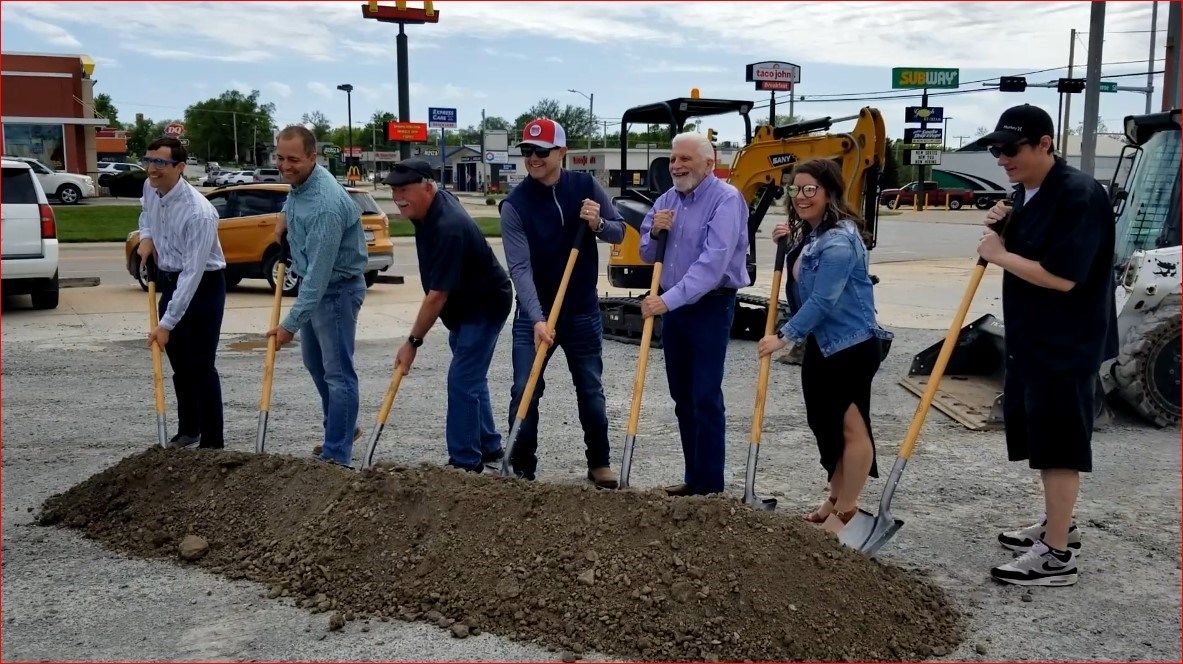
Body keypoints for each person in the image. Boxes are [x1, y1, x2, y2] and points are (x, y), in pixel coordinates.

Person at [974, 104, 1114, 587]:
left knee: (1059, 446)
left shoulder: (1078, 195)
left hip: (1065, 341)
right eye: (996, 150)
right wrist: (1004, 224)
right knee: (1041, 435)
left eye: (1011, 149)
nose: (1002, 159)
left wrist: (999, 254)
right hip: (1034, 339)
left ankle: (1057, 557)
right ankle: (1060, 526)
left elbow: (1063, 278)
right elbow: (1029, 244)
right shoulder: (1027, 193)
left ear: (1045, 143)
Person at [757, 158, 893, 535]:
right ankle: (834, 497)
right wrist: (790, 242)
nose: (800, 197)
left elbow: (823, 300)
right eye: (795, 190)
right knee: (825, 425)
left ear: (829, 192)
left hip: (850, 346)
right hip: (824, 344)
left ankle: (847, 511)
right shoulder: (816, 234)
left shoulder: (840, 240)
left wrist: (783, 337)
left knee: (851, 427)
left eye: (809, 190)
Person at [499, 118, 627, 488]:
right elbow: (519, 268)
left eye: (542, 151)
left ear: (561, 152)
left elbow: (619, 230)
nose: (534, 158)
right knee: (524, 388)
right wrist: (538, 319)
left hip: (582, 311)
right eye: (527, 151)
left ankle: (599, 462)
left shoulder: (585, 186)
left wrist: (598, 222)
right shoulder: (516, 204)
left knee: (589, 387)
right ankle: (521, 468)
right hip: (533, 315)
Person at [638, 132, 750, 496]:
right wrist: (655, 230)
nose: (676, 166)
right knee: (682, 396)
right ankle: (694, 479)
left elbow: (713, 263)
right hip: (675, 309)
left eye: (685, 159)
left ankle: (711, 488)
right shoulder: (667, 200)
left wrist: (667, 301)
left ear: (708, 163)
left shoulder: (726, 200)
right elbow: (645, 251)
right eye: (673, 159)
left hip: (709, 306)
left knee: (704, 395)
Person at [385, 159, 513, 472]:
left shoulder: (448, 227)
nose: (398, 197)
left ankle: (465, 463)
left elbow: (436, 296)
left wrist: (412, 342)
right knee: (470, 376)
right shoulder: (428, 207)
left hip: (485, 305)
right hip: (464, 304)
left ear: (428, 187)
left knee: (461, 381)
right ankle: (489, 444)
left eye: (405, 189)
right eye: (394, 190)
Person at [266, 125, 368, 467]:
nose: (285, 165)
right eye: (280, 157)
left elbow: (319, 279)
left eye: (293, 159)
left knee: (338, 374)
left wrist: (288, 326)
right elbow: (294, 197)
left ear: (312, 156)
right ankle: (343, 427)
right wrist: (284, 217)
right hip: (318, 288)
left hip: (336, 291)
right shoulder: (302, 184)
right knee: (315, 364)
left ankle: (337, 455)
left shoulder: (326, 205)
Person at [138, 136, 227, 449]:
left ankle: (213, 444)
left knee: (201, 365)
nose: (152, 168)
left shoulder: (199, 214)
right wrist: (146, 236)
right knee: (179, 362)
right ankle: (189, 429)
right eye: (148, 161)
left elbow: (193, 274)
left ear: (179, 167)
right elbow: (146, 213)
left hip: (203, 286)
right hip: (170, 279)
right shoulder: (151, 187)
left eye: (160, 163)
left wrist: (166, 324)